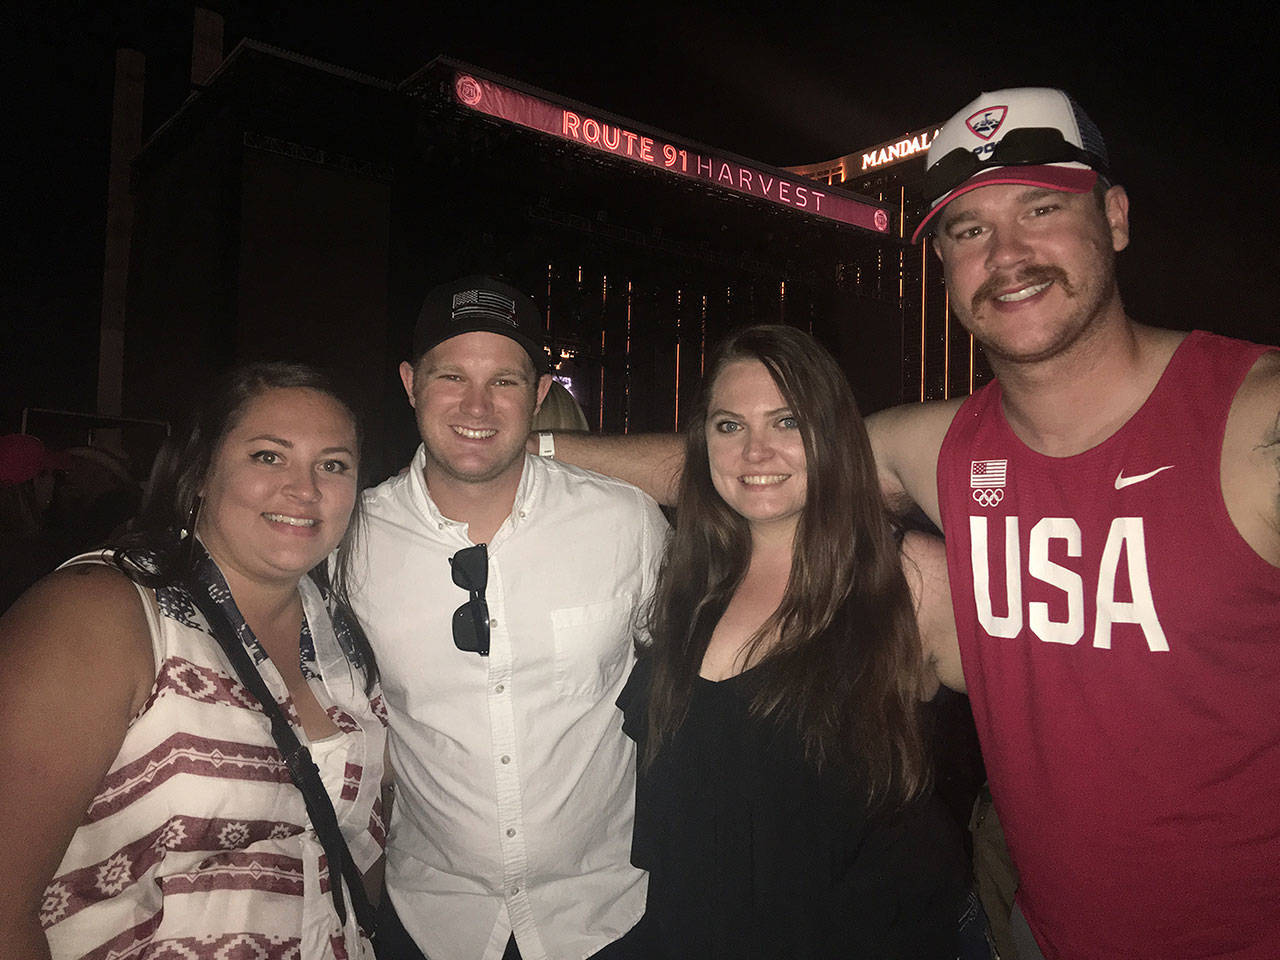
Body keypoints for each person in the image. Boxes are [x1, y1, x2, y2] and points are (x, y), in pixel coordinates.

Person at [541, 88, 1280, 960]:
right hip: (1039, 935)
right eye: (969, 231)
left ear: (1114, 217)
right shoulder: (944, 446)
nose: (1007, 253)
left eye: (1041, 207)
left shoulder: (1252, 424)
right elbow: (747, 466)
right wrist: (527, 454)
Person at [0, 363, 387, 960]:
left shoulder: (344, 633)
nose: (305, 489)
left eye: (333, 465)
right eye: (268, 456)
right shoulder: (101, 615)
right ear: (202, 471)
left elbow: (348, 848)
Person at [616, 325, 967, 958]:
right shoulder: (686, 579)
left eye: (786, 423)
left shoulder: (907, 576)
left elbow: (1052, 719)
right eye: (730, 426)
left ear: (833, 436)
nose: (756, 452)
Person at [347, 276, 668, 960]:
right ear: (410, 383)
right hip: (432, 920)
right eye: (450, 377)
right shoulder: (354, 540)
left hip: (606, 914)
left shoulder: (625, 522)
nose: (477, 405)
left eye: (505, 382)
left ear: (541, 394)